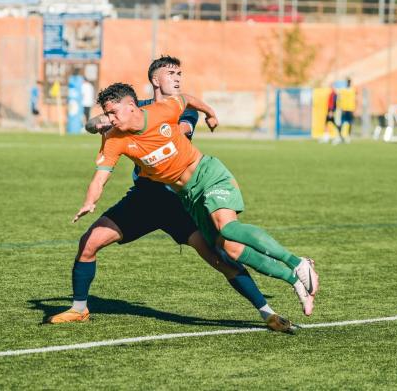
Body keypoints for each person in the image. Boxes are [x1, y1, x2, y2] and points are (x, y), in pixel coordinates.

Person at [49, 57, 293, 332]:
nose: (177, 78)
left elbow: (181, 129)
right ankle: (79, 309)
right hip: (143, 199)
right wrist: (102, 122)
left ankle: (267, 313)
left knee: (220, 258)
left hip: (178, 201)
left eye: (180, 73)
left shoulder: (179, 110)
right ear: (155, 80)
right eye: (171, 73)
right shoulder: (133, 109)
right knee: (89, 243)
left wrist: (203, 115)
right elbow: (93, 124)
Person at [336, 78, 357, 144]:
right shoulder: (343, 90)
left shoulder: (352, 90)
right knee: (341, 123)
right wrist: (339, 107)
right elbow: (339, 99)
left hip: (350, 109)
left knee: (350, 123)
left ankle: (348, 136)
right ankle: (340, 136)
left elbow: (355, 100)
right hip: (343, 109)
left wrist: (354, 108)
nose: (348, 83)